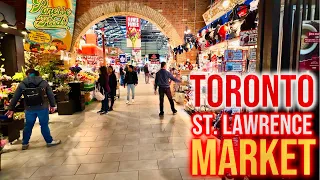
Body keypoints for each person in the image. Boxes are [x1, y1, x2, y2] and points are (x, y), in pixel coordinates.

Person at [6, 69, 61, 150]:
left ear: (28, 74)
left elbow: (15, 97)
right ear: (37, 74)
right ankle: (49, 141)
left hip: (29, 108)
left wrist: (11, 108)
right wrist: (53, 105)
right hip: (42, 107)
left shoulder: (23, 83)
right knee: (44, 125)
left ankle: (25, 143)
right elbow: (50, 94)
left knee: (28, 125)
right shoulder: (43, 82)